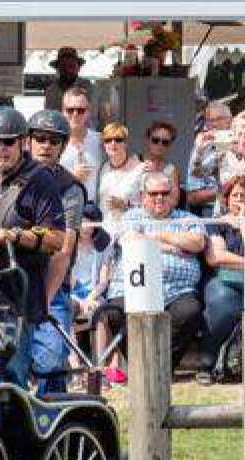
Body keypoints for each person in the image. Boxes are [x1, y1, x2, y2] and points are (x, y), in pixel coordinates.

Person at [0, 107, 66, 389]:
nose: (0, 149)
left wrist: (13, 235)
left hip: (16, 294)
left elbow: (57, 239)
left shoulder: (39, 179)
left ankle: (12, 431)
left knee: (8, 374)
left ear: (22, 142)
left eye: (8, 142)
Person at [100, 172, 206, 372]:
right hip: (134, 288)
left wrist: (155, 235)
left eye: (165, 193)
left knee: (189, 312)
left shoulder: (189, 218)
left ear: (173, 195)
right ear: (142, 196)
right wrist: (174, 245)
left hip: (177, 290)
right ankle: (141, 367)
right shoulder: (131, 217)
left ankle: (162, 368)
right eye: (153, 193)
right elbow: (131, 239)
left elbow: (197, 242)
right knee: (114, 313)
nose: (160, 198)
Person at [27, 109, 86, 394]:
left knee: (51, 362)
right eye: (39, 138)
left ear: (63, 146)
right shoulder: (13, 175)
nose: (46, 145)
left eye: (54, 140)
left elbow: (64, 250)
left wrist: (45, 301)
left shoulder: (70, 188)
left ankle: (57, 429)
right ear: (28, 141)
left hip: (51, 284)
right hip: (10, 282)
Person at [196, 175, 244, 384]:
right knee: (224, 301)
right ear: (227, 199)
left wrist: (243, 228)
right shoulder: (216, 223)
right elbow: (216, 257)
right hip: (222, 279)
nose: (240, 199)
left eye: (244, 196)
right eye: (236, 195)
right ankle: (207, 362)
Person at [187, 102, 238, 218]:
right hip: (211, 209)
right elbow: (193, 197)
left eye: (218, 119)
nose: (213, 124)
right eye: (209, 120)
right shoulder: (201, 148)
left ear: (230, 120)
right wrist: (224, 189)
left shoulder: (239, 144)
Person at [95, 121, 144, 225]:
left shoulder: (140, 169)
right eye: (108, 140)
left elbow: (149, 208)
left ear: (125, 143)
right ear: (104, 145)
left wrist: (125, 205)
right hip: (105, 229)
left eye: (118, 140)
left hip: (130, 229)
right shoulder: (104, 168)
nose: (113, 143)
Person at [58, 87, 103, 194]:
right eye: (70, 110)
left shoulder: (101, 140)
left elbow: (119, 164)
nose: (75, 114)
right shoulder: (53, 142)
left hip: (94, 208)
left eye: (80, 110)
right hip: (64, 207)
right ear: (63, 111)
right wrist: (72, 177)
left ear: (88, 112)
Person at [45, 47, 97, 128]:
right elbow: (48, 117)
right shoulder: (51, 91)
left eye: (71, 66)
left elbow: (93, 116)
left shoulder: (88, 87)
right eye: (63, 66)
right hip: (59, 134)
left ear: (78, 68)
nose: (67, 70)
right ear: (57, 69)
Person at [139, 119, 182, 205]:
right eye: (155, 140)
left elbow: (174, 200)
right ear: (148, 140)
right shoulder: (136, 163)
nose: (160, 145)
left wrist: (157, 174)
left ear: (169, 145)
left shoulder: (171, 170)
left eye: (165, 142)